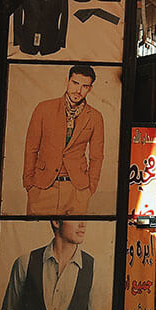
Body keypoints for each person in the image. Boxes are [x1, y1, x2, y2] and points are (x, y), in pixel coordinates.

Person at [23, 64, 106, 214]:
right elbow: (31, 148)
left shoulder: (95, 117)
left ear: (90, 89)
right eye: (75, 83)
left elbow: (97, 156)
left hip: (76, 190)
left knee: (71, 237)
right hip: (42, 187)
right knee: (33, 235)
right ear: (67, 81)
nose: (78, 90)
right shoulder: (44, 108)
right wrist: (29, 184)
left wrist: (90, 188)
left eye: (84, 86)